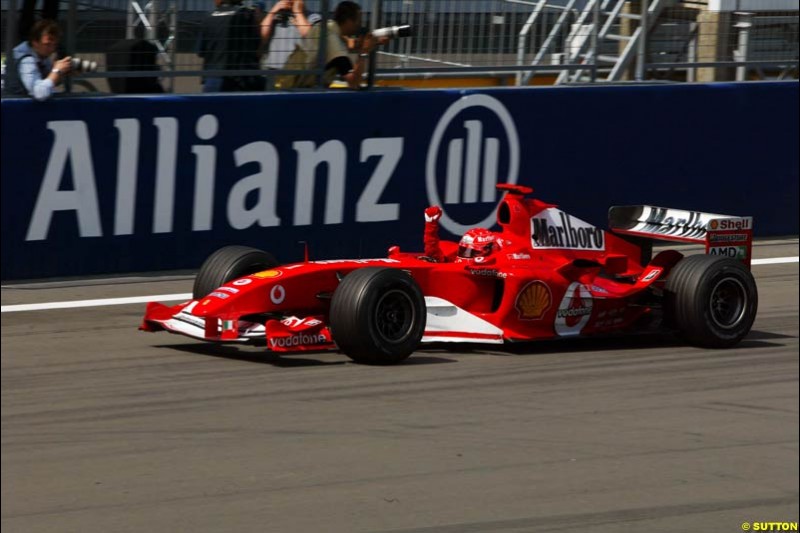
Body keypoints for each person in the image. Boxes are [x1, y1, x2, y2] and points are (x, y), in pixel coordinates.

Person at [276, 0, 377, 90]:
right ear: (349, 21)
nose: (358, 26)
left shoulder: (325, 27)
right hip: (300, 92)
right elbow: (354, 82)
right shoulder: (334, 44)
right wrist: (364, 52)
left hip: (287, 84)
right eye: (358, 22)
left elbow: (344, 44)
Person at [197, 0, 264, 92]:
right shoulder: (245, 14)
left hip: (212, 78)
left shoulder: (208, 17)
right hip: (239, 81)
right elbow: (257, 47)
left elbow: (201, 52)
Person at [4, 19, 73, 101]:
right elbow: (39, 94)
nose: (52, 49)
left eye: (54, 45)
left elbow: (47, 81)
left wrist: (63, 73)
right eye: (47, 44)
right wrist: (57, 71)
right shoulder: (26, 61)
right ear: (35, 42)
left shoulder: (41, 54)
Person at [423, 206, 502, 263]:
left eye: (471, 252)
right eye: (464, 250)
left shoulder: (501, 257)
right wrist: (430, 223)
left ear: (486, 251)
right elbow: (433, 253)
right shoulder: (454, 257)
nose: (465, 254)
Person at [260, 0, 321, 70]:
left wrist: (298, 12)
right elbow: (264, 35)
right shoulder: (276, 16)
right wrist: (272, 12)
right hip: (274, 69)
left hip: (297, 70)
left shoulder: (312, 16)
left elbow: (310, 35)